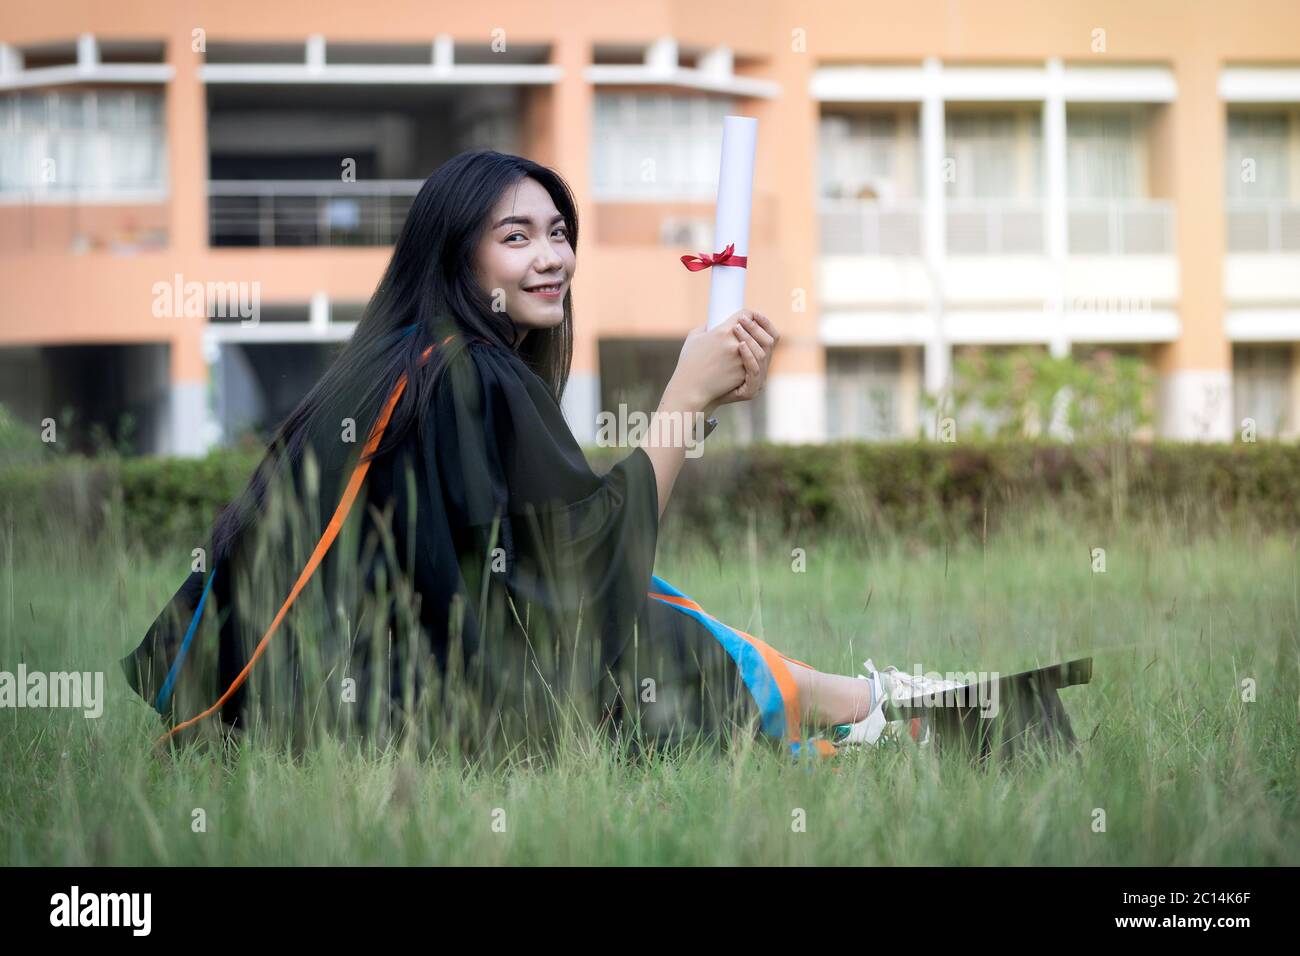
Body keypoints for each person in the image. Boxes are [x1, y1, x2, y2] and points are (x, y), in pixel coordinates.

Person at [122, 150, 889, 761]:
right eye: (515, 237)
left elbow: (521, 558)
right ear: (454, 257)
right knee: (649, 628)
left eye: (558, 232)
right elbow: (580, 575)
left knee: (647, 596)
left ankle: (853, 702)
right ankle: (863, 710)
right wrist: (685, 401)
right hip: (391, 719)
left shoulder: (401, 361)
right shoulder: (467, 373)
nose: (551, 256)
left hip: (311, 709)